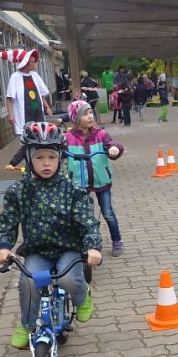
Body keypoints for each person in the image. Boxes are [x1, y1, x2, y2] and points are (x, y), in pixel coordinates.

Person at [0, 121, 102, 350]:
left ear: (60, 158)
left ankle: (82, 296)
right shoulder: (19, 191)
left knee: (68, 279)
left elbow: (87, 222)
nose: (46, 163)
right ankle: (27, 324)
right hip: (37, 250)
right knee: (29, 282)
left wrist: (93, 247)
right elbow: (8, 221)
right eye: (39, 157)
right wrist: (3, 246)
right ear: (29, 158)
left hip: (68, 249)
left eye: (51, 157)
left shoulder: (73, 190)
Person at [64, 100, 126, 257]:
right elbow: (56, 151)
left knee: (108, 212)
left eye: (91, 112)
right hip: (79, 182)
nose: (90, 116)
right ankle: (88, 244)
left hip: (101, 180)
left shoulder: (101, 135)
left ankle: (117, 241)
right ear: (75, 118)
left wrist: (113, 149)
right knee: (85, 214)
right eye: (85, 114)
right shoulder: (68, 138)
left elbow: (113, 144)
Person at [0, 48, 54, 142]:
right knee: (27, 139)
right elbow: (9, 98)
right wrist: (11, 116)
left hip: (38, 113)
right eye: (31, 62)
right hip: (24, 115)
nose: (34, 64)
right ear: (25, 62)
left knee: (41, 135)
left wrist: (47, 107)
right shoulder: (15, 77)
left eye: (34, 61)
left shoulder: (35, 75)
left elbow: (40, 94)